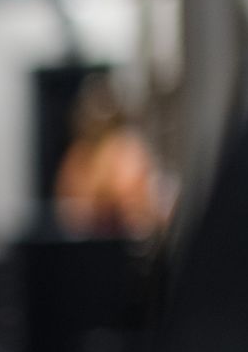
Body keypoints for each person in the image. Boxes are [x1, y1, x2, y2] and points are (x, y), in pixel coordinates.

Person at [53, 75, 168, 241]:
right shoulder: (79, 155)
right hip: (92, 241)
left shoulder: (126, 147)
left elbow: (137, 199)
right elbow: (70, 208)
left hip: (125, 240)